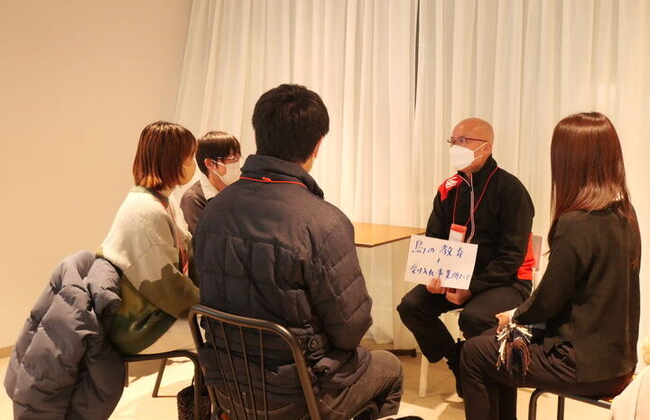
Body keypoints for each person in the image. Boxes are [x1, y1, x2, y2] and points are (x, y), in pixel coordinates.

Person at [193, 84, 403, 420]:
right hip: (297, 397)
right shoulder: (324, 223)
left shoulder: (213, 211)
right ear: (317, 145)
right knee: (390, 368)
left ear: (258, 134)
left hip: (227, 386)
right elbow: (351, 329)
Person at [460, 112, 641, 420]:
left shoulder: (576, 223)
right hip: (619, 362)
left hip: (579, 366)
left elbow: (548, 301)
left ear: (568, 161)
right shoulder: (625, 212)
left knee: (475, 354)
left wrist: (514, 315)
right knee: (493, 344)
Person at [397, 118, 535, 396]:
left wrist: (471, 288)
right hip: (456, 278)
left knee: (473, 318)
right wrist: (434, 276)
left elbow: (512, 256)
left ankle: (485, 377)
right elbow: (435, 240)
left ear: (486, 147)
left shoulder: (511, 190)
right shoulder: (449, 189)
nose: (455, 147)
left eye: (463, 141)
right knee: (411, 306)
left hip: (506, 281)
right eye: (453, 141)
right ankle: (458, 360)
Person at [99, 121, 200, 355]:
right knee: (225, 333)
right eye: (189, 157)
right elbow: (172, 292)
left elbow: (190, 253)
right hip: (140, 326)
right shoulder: (147, 211)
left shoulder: (164, 201)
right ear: (172, 160)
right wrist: (215, 302)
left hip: (155, 311)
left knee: (227, 324)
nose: (192, 164)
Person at [180, 130, 241, 234]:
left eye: (238, 158)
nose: (236, 164)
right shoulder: (193, 199)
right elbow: (203, 239)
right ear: (209, 163)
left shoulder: (236, 192)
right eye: (232, 159)